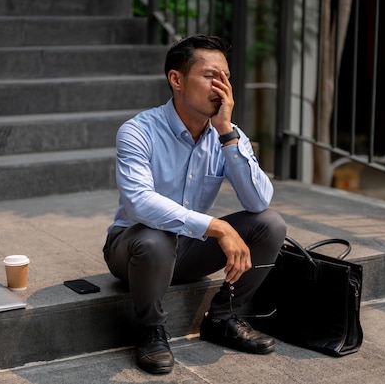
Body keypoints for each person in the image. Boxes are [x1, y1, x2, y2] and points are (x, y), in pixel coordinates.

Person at [103, 34, 287, 375]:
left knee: (270, 224)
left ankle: (223, 318)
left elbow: (258, 200)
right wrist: (217, 226)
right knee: (154, 238)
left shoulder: (227, 132)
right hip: (132, 250)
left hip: (188, 252)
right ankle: (150, 330)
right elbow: (140, 203)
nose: (222, 87)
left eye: (227, 77)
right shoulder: (138, 131)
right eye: (210, 76)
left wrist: (227, 134)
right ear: (176, 79)